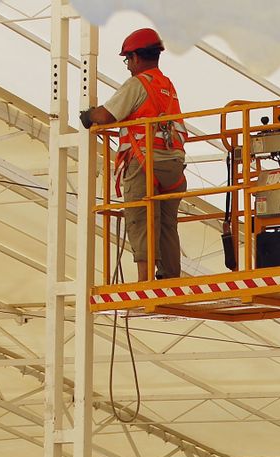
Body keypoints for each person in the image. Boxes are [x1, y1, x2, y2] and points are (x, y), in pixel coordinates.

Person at [79, 27, 187, 282]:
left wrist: (89, 115)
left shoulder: (138, 84)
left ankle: (144, 281)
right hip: (174, 166)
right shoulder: (166, 85)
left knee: (140, 219)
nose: (128, 66)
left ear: (136, 57)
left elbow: (106, 115)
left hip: (146, 163)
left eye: (128, 59)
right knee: (167, 224)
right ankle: (170, 277)